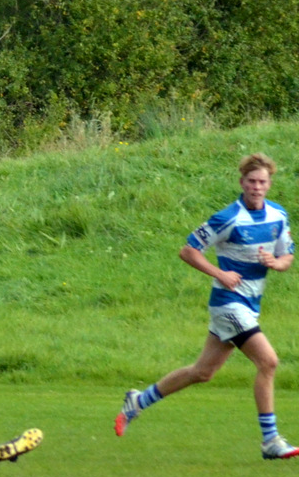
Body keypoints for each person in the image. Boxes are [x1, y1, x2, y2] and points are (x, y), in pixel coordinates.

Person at [116, 153, 298, 458]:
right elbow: (188, 251)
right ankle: (270, 440)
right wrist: (220, 273)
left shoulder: (278, 215)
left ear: (269, 184)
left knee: (202, 372)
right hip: (228, 304)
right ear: (242, 182)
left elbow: (287, 256)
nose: (256, 187)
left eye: (262, 182)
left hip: (250, 305)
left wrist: (276, 263)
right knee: (268, 361)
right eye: (251, 181)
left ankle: (138, 401)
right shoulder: (228, 217)